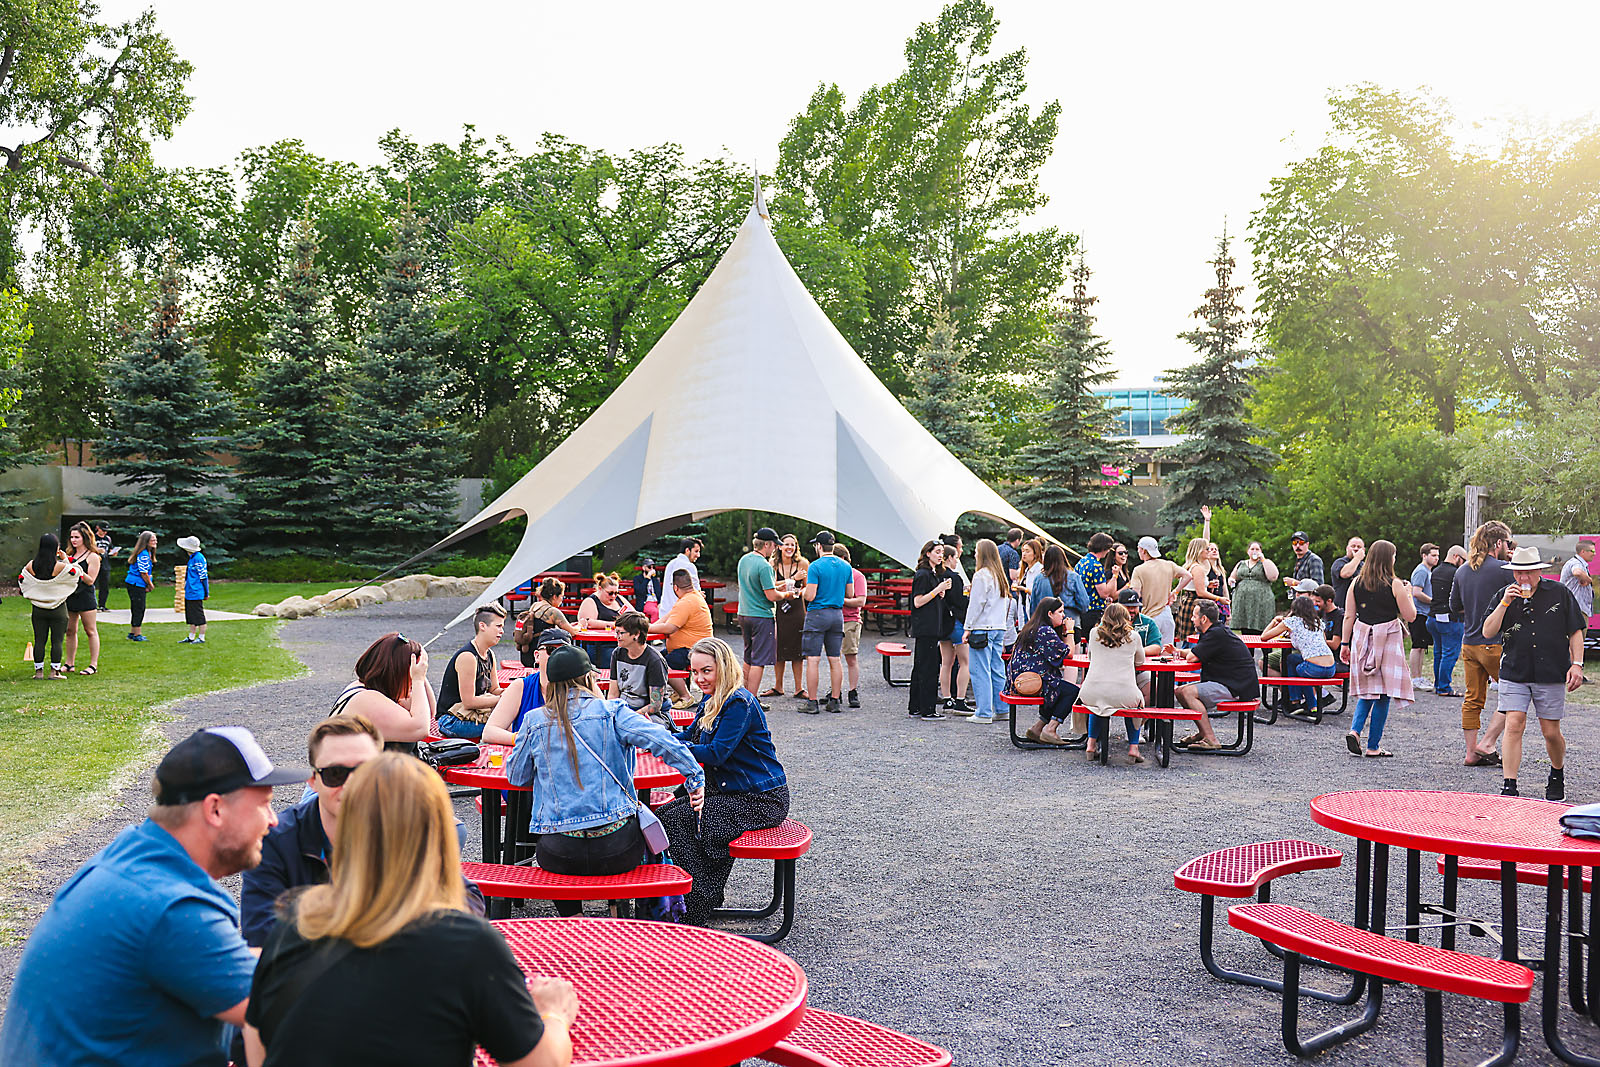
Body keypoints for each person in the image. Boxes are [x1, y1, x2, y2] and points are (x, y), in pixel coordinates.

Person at [241, 753, 576, 1067]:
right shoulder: (466, 944)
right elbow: (538, 1062)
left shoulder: (295, 922)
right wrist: (554, 1014)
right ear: (441, 833)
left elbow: (256, 1049)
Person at [0, 727, 302, 1066]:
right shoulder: (172, 907)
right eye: (264, 804)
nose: (274, 821)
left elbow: (219, 960)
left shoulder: (133, 859)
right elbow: (292, 1007)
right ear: (215, 809)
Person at [241, 716, 486, 947]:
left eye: (364, 772)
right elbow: (262, 934)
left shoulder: (404, 825)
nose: (351, 784)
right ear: (313, 781)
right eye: (335, 774)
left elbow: (467, 900)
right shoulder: (276, 838)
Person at [507, 645, 704, 916]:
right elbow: (664, 742)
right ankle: (615, 911)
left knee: (560, 853)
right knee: (625, 842)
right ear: (589, 678)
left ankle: (573, 918)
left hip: (559, 852)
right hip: (617, 849)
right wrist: (695, 778)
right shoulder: (613, 713)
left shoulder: (534, 721)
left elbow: (517, 777)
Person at [660, 637, 788, 925]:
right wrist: (657, 740)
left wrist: (671, 748)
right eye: (694, 672)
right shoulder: (712, 698)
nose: (699, 678)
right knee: (666, 813)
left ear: (725, 668)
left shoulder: (738, 702)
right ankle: (700, 894)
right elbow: (691, 737)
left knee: (679, 820)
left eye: (706, 671)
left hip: (761, 799)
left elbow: (716, 753)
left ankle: (698, 900)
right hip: (732, 792)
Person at [1482, 546, 1588, 800]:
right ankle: (1509, 785)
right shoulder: (1504, 595)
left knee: (1550, 731)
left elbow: (1575, 630)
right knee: (1514, 724)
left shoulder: (1559, 593)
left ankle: (1557, 773)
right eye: (1518, 573)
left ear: (1539, 570)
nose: (1523, 579)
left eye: (1528, 572)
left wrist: (1577, 664)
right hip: (1514, 670)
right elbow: (1487, 631)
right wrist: (1505, 603)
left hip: (1550, 670)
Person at [1339, 539, 1416, 758]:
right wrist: (1408, 593)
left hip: (1363, 636)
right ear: (1387, 558)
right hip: (1388, 638)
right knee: (1383, 693)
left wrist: (1345, 644)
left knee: (1368, 689)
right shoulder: (1395, 584)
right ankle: (1373, 746)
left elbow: (1349, 615)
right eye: (1393, 555)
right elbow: (1410, 615)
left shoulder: (1356, 583)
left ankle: (1355, 730)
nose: (1395, 559)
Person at [1451, 521, 1514, 767]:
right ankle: (1487, 742)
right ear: (1498, 543)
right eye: (1507, 542)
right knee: (1515, 693)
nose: (1508, 546)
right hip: (1496, 644)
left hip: (1469, 643)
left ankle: (1471, 753)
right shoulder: (1505, 570)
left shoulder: (1462, 571)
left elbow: (1454, 606)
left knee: (1472, 698)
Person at [330, 633, 436, 755]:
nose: (412, 683)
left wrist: (420, 672)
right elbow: (420, 729)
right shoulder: (366, 699)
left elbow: (429, 714)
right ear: (396, 672)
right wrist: (417, 679)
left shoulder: (371, 687)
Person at [1175, 601, 1260, 750]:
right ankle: (1203, 733)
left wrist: (1185, 654)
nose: (1191, 619)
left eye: (1194, 616)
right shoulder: (1214, 632)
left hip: (1237, 687)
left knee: (1188, 692)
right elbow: (1197, 653)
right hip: (1231, 682)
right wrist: (1177, 652)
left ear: (1204, 619)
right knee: (1179, 692)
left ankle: (1211, 739)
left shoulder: (1216, 634)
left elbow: (1192, 657)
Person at [1007, 597, 1081, 746]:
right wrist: (1070, 630)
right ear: (1049, 614)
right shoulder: (1044, 631)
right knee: (1071, 690)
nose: (1063, 615)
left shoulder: (1033, 627)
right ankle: (1051, 730)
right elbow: (1070, 653)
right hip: (1029, 681)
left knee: (1057, 685)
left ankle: (1037, 729)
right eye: (1060, 612)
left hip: (1020, 680)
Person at [1079, 603, 1146, 763]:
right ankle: (1133, 748)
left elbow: (1090, 657)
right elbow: (1140, 661)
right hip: (1123, 692)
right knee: (1134, 705)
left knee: (1098, 705)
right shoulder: (1134, 636)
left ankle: (1091, 744)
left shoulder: (1094, 633)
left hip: (1091, 691)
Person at [483, 628, 569, 745]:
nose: (558, 656)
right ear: (537, 656)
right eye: (551, 650)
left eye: (564, 651)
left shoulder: (580, 686)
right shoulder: (521, 687)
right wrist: (521, 738)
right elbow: (489, 732)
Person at [799, 531, 852, 714]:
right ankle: (835, 700)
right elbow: (850, 594)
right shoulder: (845, 566)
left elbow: (811, 595)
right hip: (837, 615)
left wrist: (804, 591)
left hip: (817, 615)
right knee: (835, 659)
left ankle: (812, 703)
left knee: (813, 660)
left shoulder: (815, 566)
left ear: (819, 546)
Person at [437, 604, 507, 739]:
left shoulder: (489, 654)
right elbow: (469, 701)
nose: (502, 631)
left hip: (468, 715)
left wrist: (513, 693)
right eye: (498, 626)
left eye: (502, 627)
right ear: (482, 626)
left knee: (513, 718)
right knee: (505, 725)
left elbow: (494, 689)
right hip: (451, 720)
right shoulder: (468, 657)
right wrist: (502, 700)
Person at [1262, 596, 1338, 717]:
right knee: (1291, 660)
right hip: (1331, 667)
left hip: (1314, 668)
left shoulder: (1292, 622)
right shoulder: (1318, 622)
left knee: (1299, 670)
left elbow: (1264, 637)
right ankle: (1299, 702)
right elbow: (1322, 641)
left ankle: (1306, 704)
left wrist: (1274, 621)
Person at [963, 538, 1011, 725]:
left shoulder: (981, 575)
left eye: (976, 550)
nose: (974, 554)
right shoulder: (1000, 576)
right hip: (998, 627)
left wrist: (968, 627)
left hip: (982, 628)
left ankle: (983, 712)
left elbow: (976, 605)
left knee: (980, 670)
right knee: (997, 668)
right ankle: (1001, 708)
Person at [20, 532, 81, 680]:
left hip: (38, 609)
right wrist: (65, 558)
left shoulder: (31, 565)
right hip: (58, 608)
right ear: (56, 547)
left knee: (39, 640)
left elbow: (22, 580)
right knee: (57, 641)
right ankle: (54, 672)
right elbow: (76, 572)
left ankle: (38, 672)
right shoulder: (60, 566)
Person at [650, 569, 712, 707]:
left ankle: (686, 696)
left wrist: (644, 628)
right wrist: (648, 627)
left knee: (660, 663)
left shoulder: (687, 602)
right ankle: (679, 692)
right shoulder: (690, 597)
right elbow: (666, 618)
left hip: (694, 650)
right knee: (654, 657)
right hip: (691, 647)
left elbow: (670, 628)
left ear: (675, 587)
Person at [908, 540, 952, 720]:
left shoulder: (933, 574)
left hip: (931, 626)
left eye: (942, 552)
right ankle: (927, 709)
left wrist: (939, 593)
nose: (940, 555)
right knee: (928, 668)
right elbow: (918, 601)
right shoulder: (923, 574)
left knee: (921, 666)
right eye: (937, 552)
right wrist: (937, 590)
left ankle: (916, 706)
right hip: (926, 627)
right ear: (928, 553)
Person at [737, 528, 783, 695]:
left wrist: (779, 585)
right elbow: (771, 595)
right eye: (775, 546)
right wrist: (786, 594)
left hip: (744, 613)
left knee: (748, 656)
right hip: (761, 616)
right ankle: (752, 698)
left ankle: (743, 694)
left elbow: (754, 585)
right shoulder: (764, 565)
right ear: (766, 544)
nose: (775, 549)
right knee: (759, 661)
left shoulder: (744, 560)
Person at [611, 610, 670, 723]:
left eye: (620, 633)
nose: (616, 636)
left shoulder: (654, 660)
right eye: (616, 632)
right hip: (623, 709)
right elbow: (613, 694)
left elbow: (655, 705)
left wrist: (630, 717)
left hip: (650, 715)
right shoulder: (617, 653)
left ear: (636, 634)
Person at [769, 533, 809, 700]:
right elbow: (769, 585)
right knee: (778, 648)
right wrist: (791, 579)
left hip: (797, 609)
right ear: (779, 546)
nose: (789, 548)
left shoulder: (803, 563)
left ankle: (799, 688)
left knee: (797, 649)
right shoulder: (772, 564)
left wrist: (800, 591)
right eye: (786, 544)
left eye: (793, 545)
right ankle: (778, 686)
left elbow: (809, 587)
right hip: (778, 608)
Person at [1128, 536, 1184, 644]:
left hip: (1150, 616)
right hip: (1167, 614)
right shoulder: (1168, 565)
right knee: (1167, 654)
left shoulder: (1139, 570)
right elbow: (1188, 575)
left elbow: (1136, 595)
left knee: (1149, 652)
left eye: (1139, 548)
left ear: (1143, 550)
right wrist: (1175, 592)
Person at [833, 543, 869, 708]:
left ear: (842, 558)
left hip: (850, 620)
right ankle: (835, 690)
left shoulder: (857, 576)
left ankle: (853, 691)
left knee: (851, 657)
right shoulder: (832, 574)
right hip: (833, 619)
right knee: (834, 659)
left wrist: (841, 601)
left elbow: (861, 601)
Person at [63, 522, 102, 674]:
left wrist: (77, 569)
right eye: (72, 537)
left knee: (90, 630)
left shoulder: (93, 556)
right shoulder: (70, 555)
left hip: (85, 597)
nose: (73, 540)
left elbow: (90, 580)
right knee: (70, 630)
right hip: (71, 596)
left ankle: (93, 665)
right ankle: (69, 663)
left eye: (77, 537)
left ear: (85, 538)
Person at [937, 544, 972, 713]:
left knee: (946, 663)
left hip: (942, 624)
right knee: (965, 662)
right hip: (957, 623)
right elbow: (959, 602)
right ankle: (960, 699)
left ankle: (946, 698)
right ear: (949, 557)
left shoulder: (937, 575)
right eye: (956, 558)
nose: (957, 561)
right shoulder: (955, 577)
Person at [514, 579, 580, 667]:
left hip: (526, 655)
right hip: (542, 658)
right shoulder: (553, 612)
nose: (562, 600)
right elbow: (572, 632)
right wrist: (580, 625)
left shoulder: (535, 606)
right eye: (562, 596)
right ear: (554, 597)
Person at [1428, 545, 1466, 697]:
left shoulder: (1435, 571)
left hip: (1433, 618)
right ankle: (1444, 687)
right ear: (1456, 557)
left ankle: (1438, 684)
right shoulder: (1457, 573)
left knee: (1439, 653)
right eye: (1463, 560)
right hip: (1451, 618)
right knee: (1450, 653)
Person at [1172, 537, 1225, 645]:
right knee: (1194, 640)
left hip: (1188, 601)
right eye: (1207, 549)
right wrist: (1219, 599)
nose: (1209, 551)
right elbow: (1200, 592)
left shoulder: (1192, 566)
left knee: (1188, 640)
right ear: (1199, 550)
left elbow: (1193, 585)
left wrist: (1208, 584)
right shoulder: (1198, 568)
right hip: (1194, 604)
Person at [576, 572, 632, 672]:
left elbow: (634, 615)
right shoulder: (591, 601)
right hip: (600, 645)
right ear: (600, 589)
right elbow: (588, 622)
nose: (614, 596)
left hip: (621, 642)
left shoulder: (620, 599)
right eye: (610, 593)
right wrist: (614, 624)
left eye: (616, 593)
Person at [1030, 543, 1089, 634]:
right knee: (1071, 647)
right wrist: (1072, 607)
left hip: (1045, 625)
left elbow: (1033, 607)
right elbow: (1084, 604)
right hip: (1070, 622)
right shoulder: (1074, 577)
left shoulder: (1039, 579)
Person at [1228, 542, 1279, 634]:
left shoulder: (1265, 562)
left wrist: (1263, 559)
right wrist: (1231, 580)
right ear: (1248, 551)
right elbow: (1232, 577)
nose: (1254, 551)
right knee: (1245, 629)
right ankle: (1248, 648)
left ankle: (1265, 647)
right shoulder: (1241, 563)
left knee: (1262, 626)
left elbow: (1273, 577)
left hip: (1261, 600)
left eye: (1257, 549)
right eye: (1252, 549)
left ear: (1261, 551)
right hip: (1243, 601)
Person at [1407, 543, 1439, 691]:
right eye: (1433, 555)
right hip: (1418, 613)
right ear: (1424, 556)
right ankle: (1414, 678)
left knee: (1422, 646)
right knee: (1417, 645)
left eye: (1437, 555)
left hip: (1425, 613)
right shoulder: (1421, 571)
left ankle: (1419, 677)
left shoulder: (1429, 571)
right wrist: (1435, 602)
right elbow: (1416, 592)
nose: (1436, 558)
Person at [1076, 532, 1119, 632]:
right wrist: (1115, 576)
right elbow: (1104, 593)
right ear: (1103, 548)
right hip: (1094, 610)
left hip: (1082, 609)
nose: (1108, 552)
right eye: (1108, 549)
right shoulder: (1096, 566)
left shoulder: (1081, 562)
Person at [123, 529, 157, 642]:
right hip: (136, 583)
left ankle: (132, 632)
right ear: (146, 541)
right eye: (152, 540)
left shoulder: (147, 553)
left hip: (135, 583)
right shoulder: (143, 554)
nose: (155, 541)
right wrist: (150, 584)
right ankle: (137, 634)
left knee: (136, 607)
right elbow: (143, 572)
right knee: (139, 608)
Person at [658, 536, 702, 618]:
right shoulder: (689, 566)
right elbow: (696, 592)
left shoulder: (671, 563)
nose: (698, 555)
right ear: (687, 550)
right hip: (681, 615)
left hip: (665, 612)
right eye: (696, 551)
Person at [177, 535, 210, 644]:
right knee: (191, 615)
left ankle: (201, 637)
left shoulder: (199, 558)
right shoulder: (192, 559)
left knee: (199, 615)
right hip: (190, 591)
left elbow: (203, 577)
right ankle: (191, 636)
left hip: (196, 591)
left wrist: (206, 592)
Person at [1331, 536, 1365, 610]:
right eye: (1353, 546)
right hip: (1341, 609)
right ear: (1347, 548)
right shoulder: (1339, 562)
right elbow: (1346, 574)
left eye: (1359, 547)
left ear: (1363, 550)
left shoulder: (1364, 566)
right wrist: (1357, 558)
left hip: (1360, 609)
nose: (1356, 549)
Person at [92, 521, 115, 611]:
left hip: (105, 564)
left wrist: (113, 553)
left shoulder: (107, 539)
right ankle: (93, 605)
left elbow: (110, 549)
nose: (105, 532)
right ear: (98, 528)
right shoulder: (93, 537)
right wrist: (97, 550)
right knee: (92, 585)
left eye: (106, 531)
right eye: (103, 530)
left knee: (104, 586)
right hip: (94, 563)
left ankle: (102, 605)